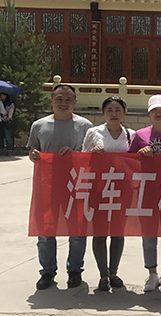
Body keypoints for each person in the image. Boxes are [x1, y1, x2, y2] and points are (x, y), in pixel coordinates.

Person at [28, 84, 93, 290]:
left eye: (68, 99)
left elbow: (92, 154)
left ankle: (75, 270)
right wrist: (34, 154)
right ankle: (47, 271)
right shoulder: (39, 125)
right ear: (51, 101)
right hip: (47, 185)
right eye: (59, 99)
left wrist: (75, 154)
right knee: (46, 230)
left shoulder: (85, 126)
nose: (63, 103)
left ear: (75, 102)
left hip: (76, 185)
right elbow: (33, 150)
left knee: (77, 230)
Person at [129, 94, 161, 292]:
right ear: (149, 113)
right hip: (147, 191)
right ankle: (152, 273)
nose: (159, 114)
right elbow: (127, 161)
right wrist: (139, 155)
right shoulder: (139, 135)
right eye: (154, 110)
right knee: (148, 235)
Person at [81, 96, 134, 292]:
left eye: (117, 110)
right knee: (100, 232)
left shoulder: (131, 134)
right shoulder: (93, 132)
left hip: (122, 189)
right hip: (99, 188)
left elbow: (136, 161)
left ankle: (114, 273)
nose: (113, 114)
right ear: (103, 113)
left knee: (118, 232)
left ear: (124, 113)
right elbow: (81, 158)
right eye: (109, 110)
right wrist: (92, 153)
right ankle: (103, 275)